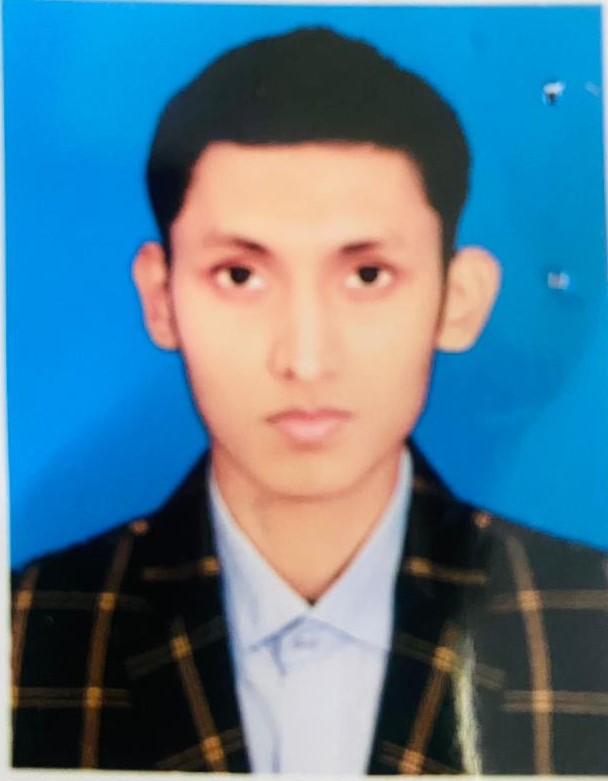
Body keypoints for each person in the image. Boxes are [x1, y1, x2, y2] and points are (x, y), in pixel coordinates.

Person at [11, 26, 608, 775]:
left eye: (367, 276)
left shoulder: (590, 613)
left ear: (460, 298)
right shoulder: (27, 626)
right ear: (160, 297)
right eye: (239, 275)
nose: (305, 358)